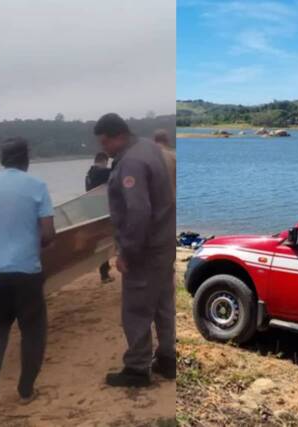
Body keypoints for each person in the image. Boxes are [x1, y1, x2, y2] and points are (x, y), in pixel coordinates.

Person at [94, 113, 176, 387]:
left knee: (136, 309)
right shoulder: (150, 148)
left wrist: (127, 252)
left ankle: (138, 367)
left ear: (118, 136)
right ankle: (167, 358)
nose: (104, 148)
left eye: (105, 143)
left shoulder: (130, 162)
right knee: (164, 304)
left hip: (146, 248)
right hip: (163, 243)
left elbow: (138, 211)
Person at [0, 138, 56, 403]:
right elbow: (47, 233)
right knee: (33, 329)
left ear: (2, 159)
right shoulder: (37, 186)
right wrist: (39, 241)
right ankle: (26, 390)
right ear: (26, 159)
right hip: (24, 269)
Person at [85, 152, 114, 284]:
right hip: (102, 211)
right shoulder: (102, 172)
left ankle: (105, 269)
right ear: (104, 161)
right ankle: (104, 273)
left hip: (91, 211)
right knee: (105, 241)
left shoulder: (89, 174)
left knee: (102, 241)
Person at [153, 129, 176, 201]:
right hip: (170, 200)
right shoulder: (173, 156)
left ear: (154, 140)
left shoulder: (146, 155)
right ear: (167, 140)